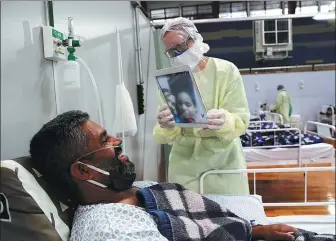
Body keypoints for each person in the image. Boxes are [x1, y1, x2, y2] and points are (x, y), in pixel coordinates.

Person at [29, 110, 334, 241]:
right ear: (82, 170)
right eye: (105, 140)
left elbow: (198, 222)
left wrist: (255, 231)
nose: (118, 143)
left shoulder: (137, 190)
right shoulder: (111, 228)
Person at [153, 17, 250, 195]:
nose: (178, 54)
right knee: (187, 216)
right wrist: (165, 125)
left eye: (181, 47)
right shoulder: (172, 80)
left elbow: (241, 120)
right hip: (184, 166)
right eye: (172, 52)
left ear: (195, 39)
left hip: (223, 162)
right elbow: (165, 135)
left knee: (230, 216)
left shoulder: (226, 71)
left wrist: (225, 121)